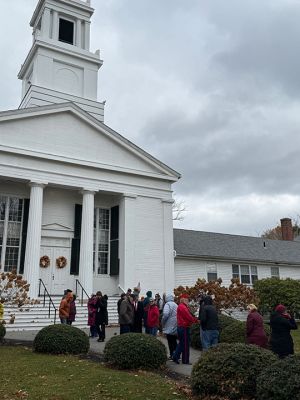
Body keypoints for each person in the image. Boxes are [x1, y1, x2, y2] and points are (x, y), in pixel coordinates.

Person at [172, 294, 198, 365]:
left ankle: (176, 357)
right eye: (187, 299)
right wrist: (195, 321)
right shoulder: (182, 307)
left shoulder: (182, 306)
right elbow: (188, 316)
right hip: (184, 327)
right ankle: (183, 359)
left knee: (182, 343)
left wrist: (194, 319)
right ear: (183, 299)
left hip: (182, 327)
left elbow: (188, 315)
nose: (188, 301)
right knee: (185, 344)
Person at [162, 294, 178, 358]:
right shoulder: (176, 305)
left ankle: (172, 355)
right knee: (174, 341)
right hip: (175, 324)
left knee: (170, 341)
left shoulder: (167, 304)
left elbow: (165, 314)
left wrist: (163, 321)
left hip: (169, 324)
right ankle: (176, 355)